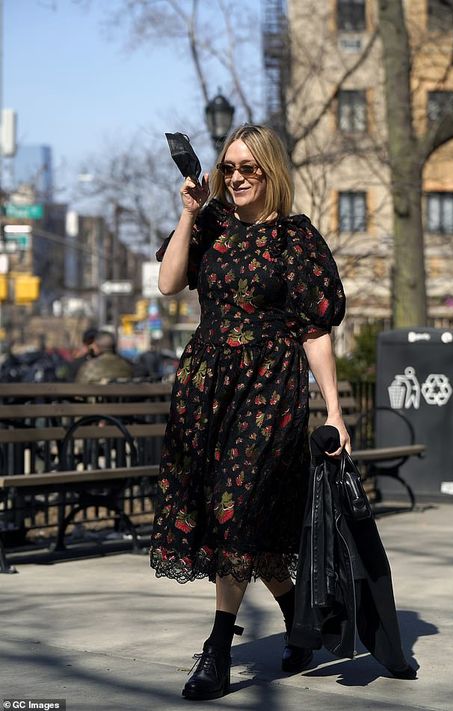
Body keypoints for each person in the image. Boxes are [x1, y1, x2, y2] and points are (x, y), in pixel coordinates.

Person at [150, 124, 349, 701]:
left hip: (269, 388)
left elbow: (314, 333)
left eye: (248, 169)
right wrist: (189, 213)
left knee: (236, 511)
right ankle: (300, 616)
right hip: (206, 387)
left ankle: (216, 649)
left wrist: (334, 411)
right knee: (234, 520)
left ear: (270, 172)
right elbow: (167, 284)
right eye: (227, 168)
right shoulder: (209, 223)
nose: (236, 178)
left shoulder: (295, 238)